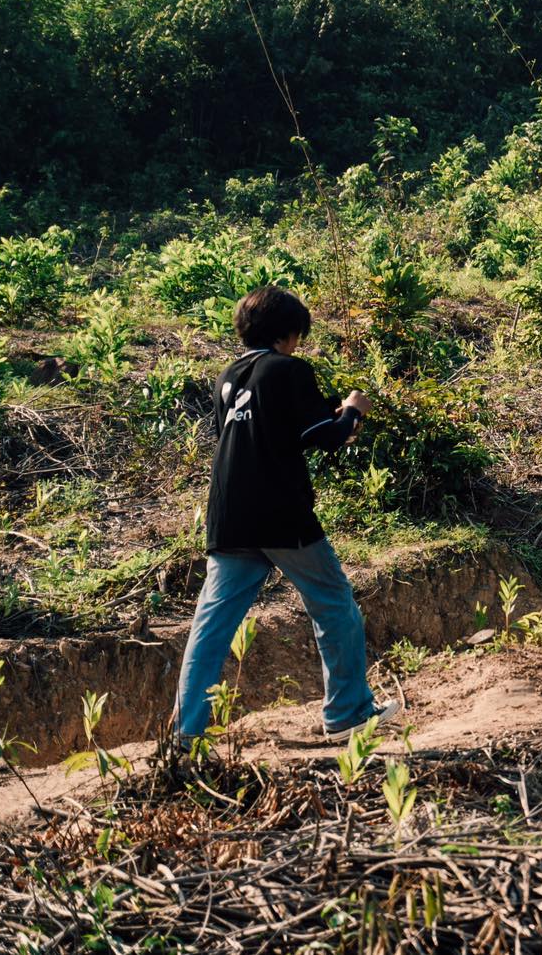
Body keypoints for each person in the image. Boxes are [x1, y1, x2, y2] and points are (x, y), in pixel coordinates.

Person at [171, 287, 396, 744]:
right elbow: (327, 437)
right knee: (333, 604)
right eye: (298, 335)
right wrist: (353, 411)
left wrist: (327, 422)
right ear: (289, 333)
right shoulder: (289, 369)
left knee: (211, 628)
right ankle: (348, 712)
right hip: (279, 510)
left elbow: (254, 435)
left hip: (229, 514)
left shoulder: (228, 376)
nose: (298, 343)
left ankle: (185, 737)